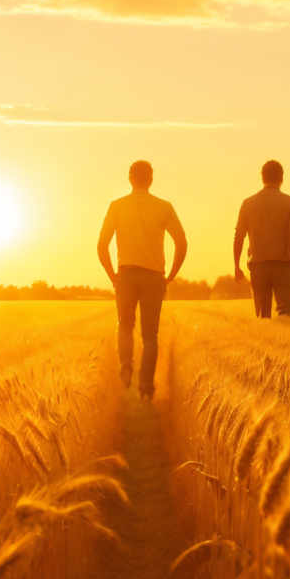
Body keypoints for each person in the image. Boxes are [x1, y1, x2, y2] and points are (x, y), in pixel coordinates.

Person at [96, 160, 186, 400]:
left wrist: (112, 276)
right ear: (151, 179)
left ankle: (126, 364)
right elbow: (182, 242)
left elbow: (101, 246)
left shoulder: (117, 206)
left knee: (125, 325)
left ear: (129, 178)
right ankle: (146, 386)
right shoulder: (163, 207)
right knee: (150, 336)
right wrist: (171, 275)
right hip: (154, 277)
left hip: (125, 274)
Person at [233, 160, 290, 319]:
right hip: (284, 266)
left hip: (258, 266)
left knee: (262, 318)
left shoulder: (248, 203)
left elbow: (239, 237)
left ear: (262, 177)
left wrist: (237, 266)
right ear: (282, 178)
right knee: (284, 316)